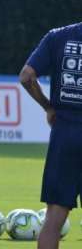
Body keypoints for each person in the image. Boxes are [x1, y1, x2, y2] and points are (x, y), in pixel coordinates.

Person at [19, 23, 82, 249]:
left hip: (65, 134)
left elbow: (26, 76)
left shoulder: (59, 37)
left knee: (54, 219)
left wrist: (48, 107)